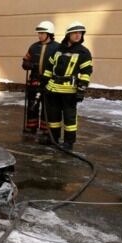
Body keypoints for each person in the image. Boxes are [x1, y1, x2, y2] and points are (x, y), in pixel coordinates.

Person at [40, 21, 93, 150]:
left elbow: (86, 73)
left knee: (69, 119)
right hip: (53, 89)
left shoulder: (84, 52)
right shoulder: (58, 50)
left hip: (70, 91)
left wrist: (81, 90)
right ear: (68, 34)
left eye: (80, 33)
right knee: (53, 116)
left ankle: (69, 142)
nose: (78, 35)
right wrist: (44, 83)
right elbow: (49, 67)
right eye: (75, 32)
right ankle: (54, 138)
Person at [21, 21, 60, 134]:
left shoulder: (57, 48)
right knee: (32, 105)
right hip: (34, 81)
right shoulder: (33, 47)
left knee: (47, 107)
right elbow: (24, 62)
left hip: (49, 82)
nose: (39, 35)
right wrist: (29, 65)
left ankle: (45, 129)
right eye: (39, 33)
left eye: (42, 33)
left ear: (49, 34)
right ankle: (31, 126)